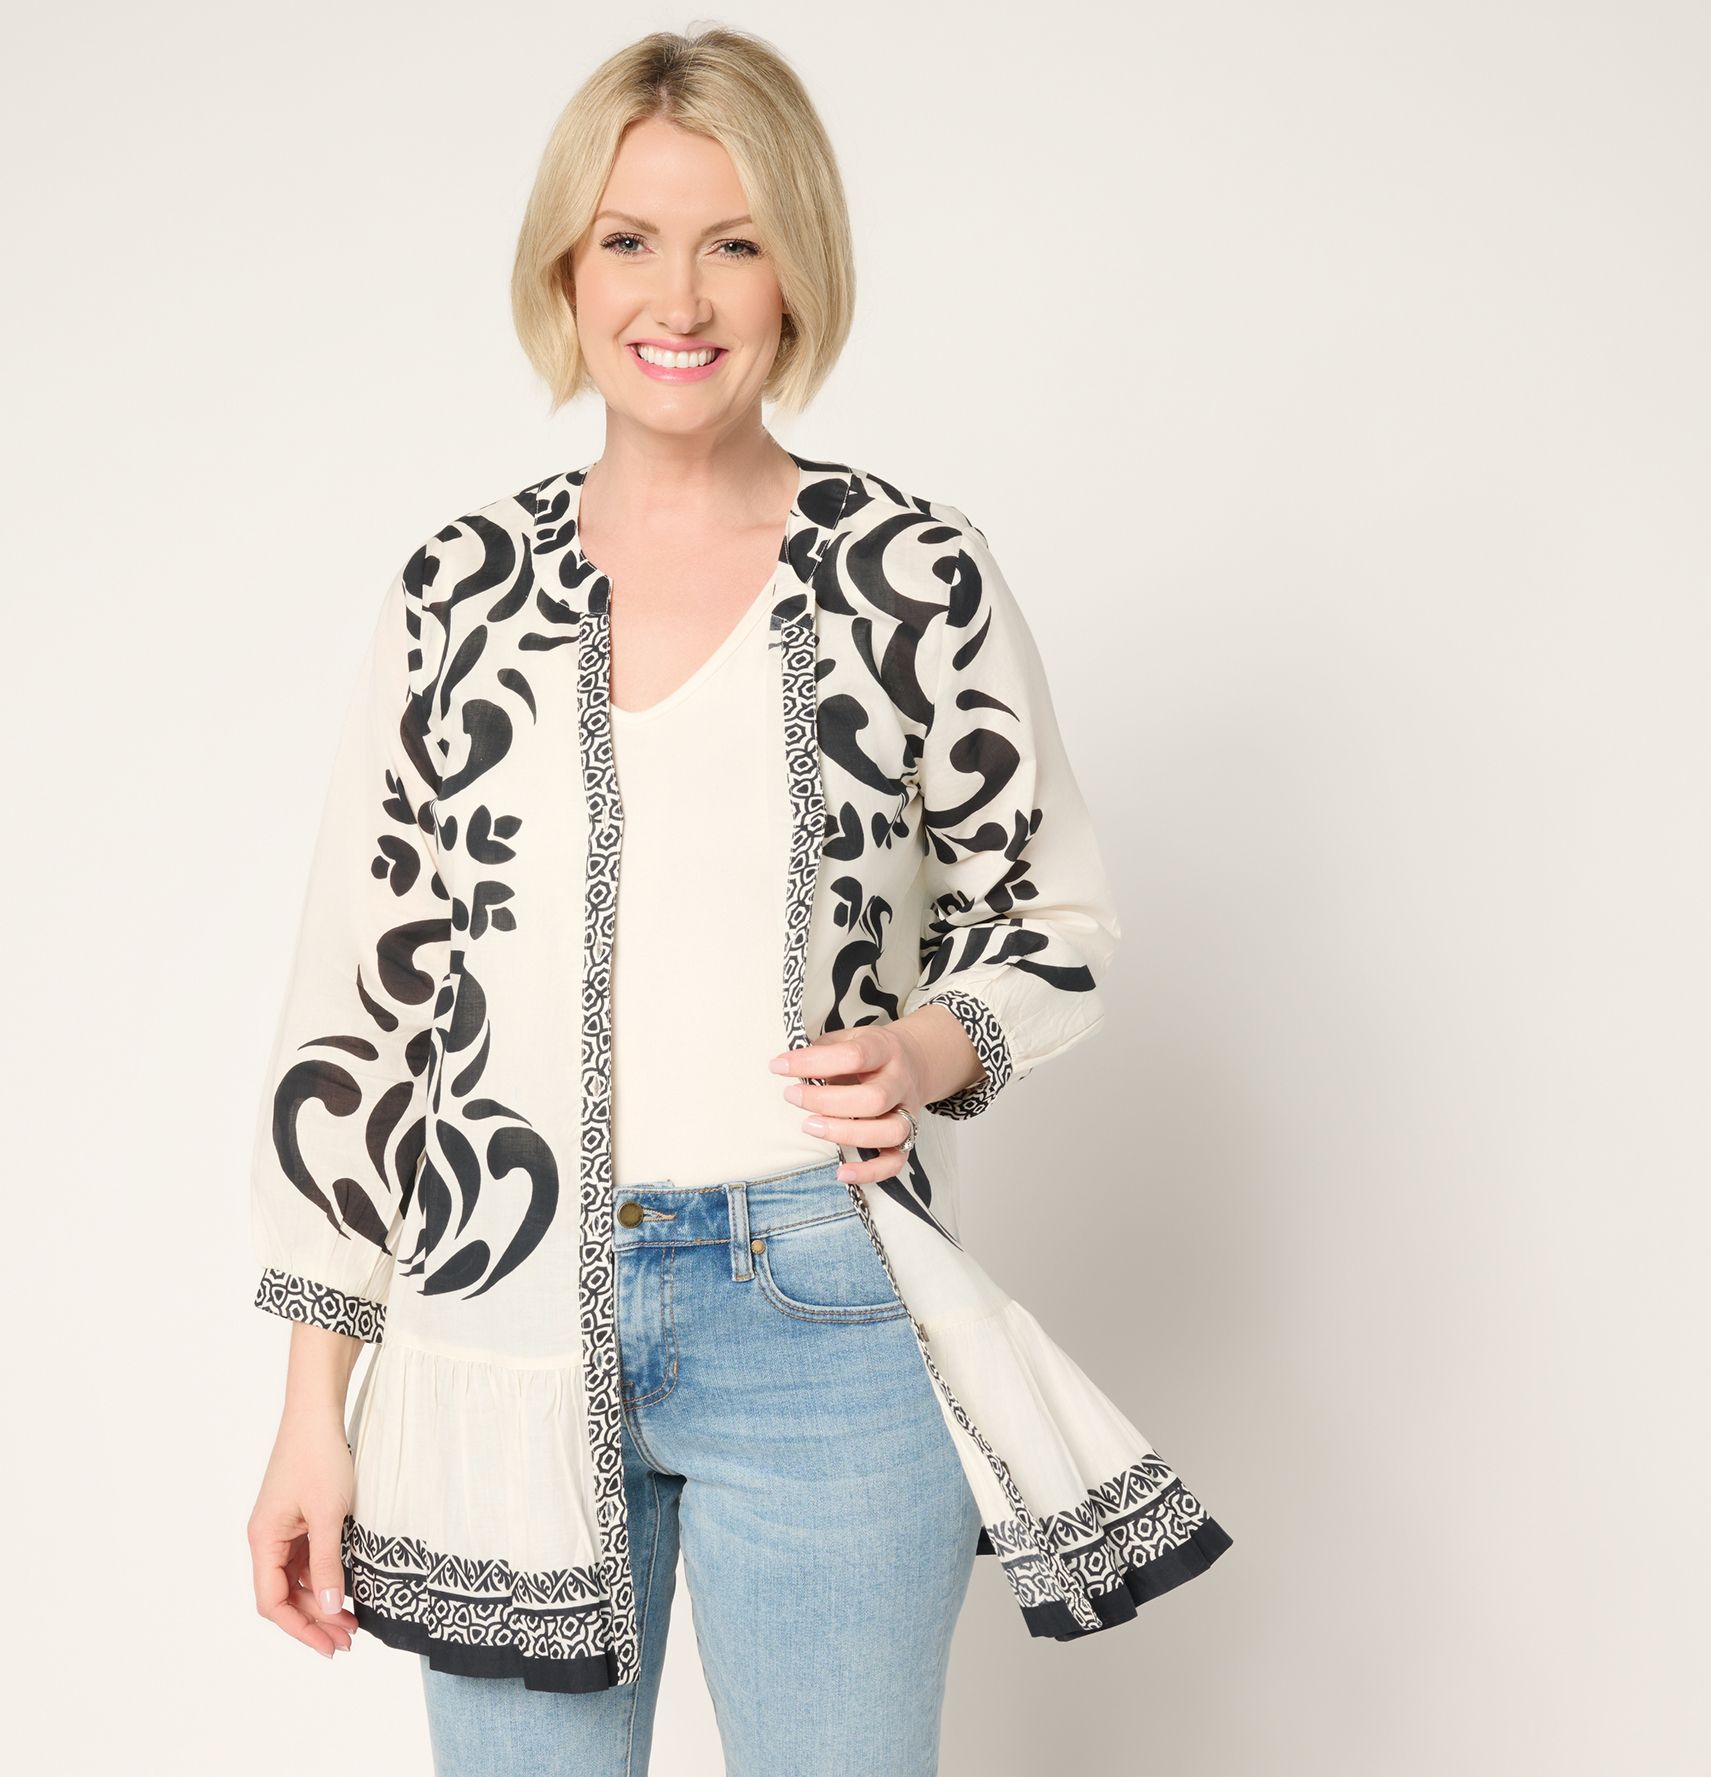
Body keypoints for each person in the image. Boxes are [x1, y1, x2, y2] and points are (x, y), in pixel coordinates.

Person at [244, 25, 1232, 1777]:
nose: (679, 296)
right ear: (566, 265)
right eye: (629, 238)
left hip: (824, 1302)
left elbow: (1052, 915)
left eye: (736, 240)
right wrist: (312, 1407)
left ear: (799, 271)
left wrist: (930, 1045)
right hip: (496, 1320)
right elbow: (368, 1009)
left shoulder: (909, 572)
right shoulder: (459, 593)